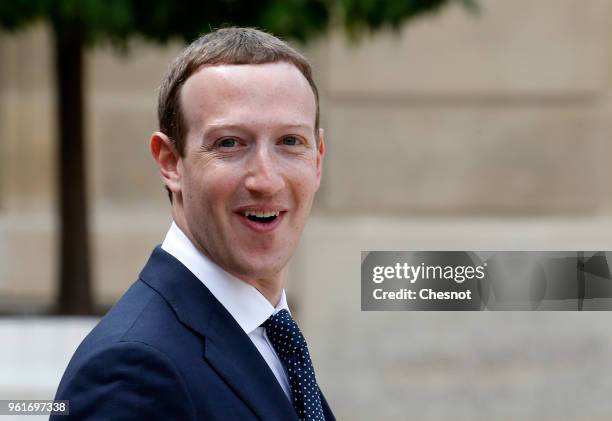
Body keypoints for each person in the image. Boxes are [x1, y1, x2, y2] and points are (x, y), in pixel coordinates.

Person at [52, 27, 334, 421]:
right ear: (170, 162)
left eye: (290, 142)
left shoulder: (271, 339)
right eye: (229, 144)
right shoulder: (131, 372)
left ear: (317, 159)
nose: (266, 179)